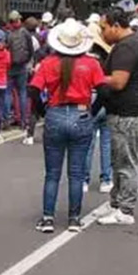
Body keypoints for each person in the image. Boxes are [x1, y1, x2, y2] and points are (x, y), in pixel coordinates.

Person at [28, 18, 108, 234]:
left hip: (55, 114)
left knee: (52, 173)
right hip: (81, 114)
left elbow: (33, 90)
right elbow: (104, 91)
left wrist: (44, 111)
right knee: (76, 172)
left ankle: (47, 218)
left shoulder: (48, 63)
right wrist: (91, 110)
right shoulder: (91, 64)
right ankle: (74, 218)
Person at [94, 8, 138, 225]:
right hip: (125, 112)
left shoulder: (127, 47)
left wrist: (96, 76)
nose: (102, 32)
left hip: (129, 114)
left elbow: (118, 81)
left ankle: (125, 210)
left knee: (125, 163)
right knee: (119, 162)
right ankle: (115, 203)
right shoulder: (129, 44)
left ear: (116, 26)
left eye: (104, 28)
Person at [82, 22, 113, 195]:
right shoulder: (107, 58)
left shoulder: (83, 60)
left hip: (89, 97)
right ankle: (106, 179)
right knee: (107, 143)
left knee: (88, 142)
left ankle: (85, 180)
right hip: (106, 98)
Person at [6, 11, 36, 143]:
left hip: (10, 66)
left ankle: (6, 118)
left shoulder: (9, 35)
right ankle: (24, 120)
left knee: (8, 93)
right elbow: (30, 50)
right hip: (22, 66)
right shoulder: (25, 33)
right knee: (22, 93)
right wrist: (27, 61)